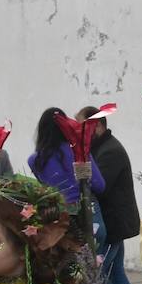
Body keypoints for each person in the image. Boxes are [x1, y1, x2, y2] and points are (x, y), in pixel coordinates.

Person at [77, 106, 140, 284]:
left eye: (83, 127)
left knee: (103, 274)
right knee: (115, 272)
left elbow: (97, 185)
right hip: (113, 223)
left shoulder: (109, 151)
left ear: (98, 126)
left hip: (113, 224)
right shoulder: (100, 148)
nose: (79, 132)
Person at [29, 107, 107, 250]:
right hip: (89, 219)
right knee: (97, 269)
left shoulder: (35, 160)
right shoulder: (79, 152)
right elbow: (99, 185)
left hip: (57, 226)